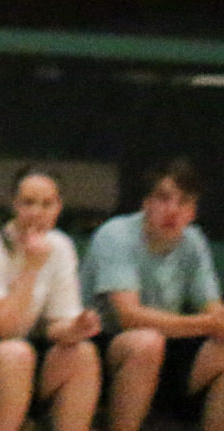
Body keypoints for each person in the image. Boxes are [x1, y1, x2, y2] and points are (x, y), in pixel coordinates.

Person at [0, 158, 97, 431]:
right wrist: (32, 268)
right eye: (28, 203)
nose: (36, 213)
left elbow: (55, 325)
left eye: (46, 205)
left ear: (58, 208)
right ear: (14, 205)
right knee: (15, 354)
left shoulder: (60, 246)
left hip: (23, 352)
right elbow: (1, 328)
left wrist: (76, 328)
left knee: (82, 354)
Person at [86, 158, 223, 431]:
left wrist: (217, 323)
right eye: (163, 198)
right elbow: (128, 317)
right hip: (104, 349)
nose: (172, 210)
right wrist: (208, 324)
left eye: (183, 202)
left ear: (193, 211)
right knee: (145, 342)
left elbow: (213, 310)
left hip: (165, 346)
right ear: (146, 203)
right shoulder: (116, 235)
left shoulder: (194, 241)